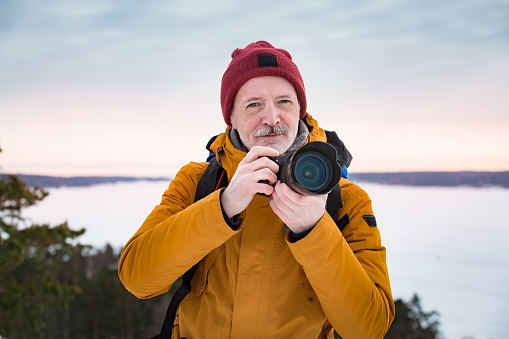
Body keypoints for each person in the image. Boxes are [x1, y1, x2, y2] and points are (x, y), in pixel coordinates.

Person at [118, 41, 395, 339]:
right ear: (232, 118)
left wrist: (314, 230)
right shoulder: (197, 182)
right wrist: (223, 206)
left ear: (301, 110)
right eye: (254, 105)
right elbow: (138, 279)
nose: (272, 118)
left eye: (284, 102)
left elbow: (370, 328)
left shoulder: (345, 199)